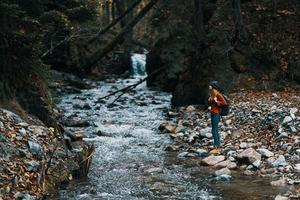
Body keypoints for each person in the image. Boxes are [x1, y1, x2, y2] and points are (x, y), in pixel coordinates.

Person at [208, 81, 227, 154]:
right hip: (213, 113)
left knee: (214, 130)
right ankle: (217, 145)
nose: (209, 86)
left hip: (216, 114)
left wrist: (217, 102)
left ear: (213, 86)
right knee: (214, 130)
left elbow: (224, 103)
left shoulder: (218, 94)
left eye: (210, 85)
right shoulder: (212, 94)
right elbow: (212, 103)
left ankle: (217, 147)